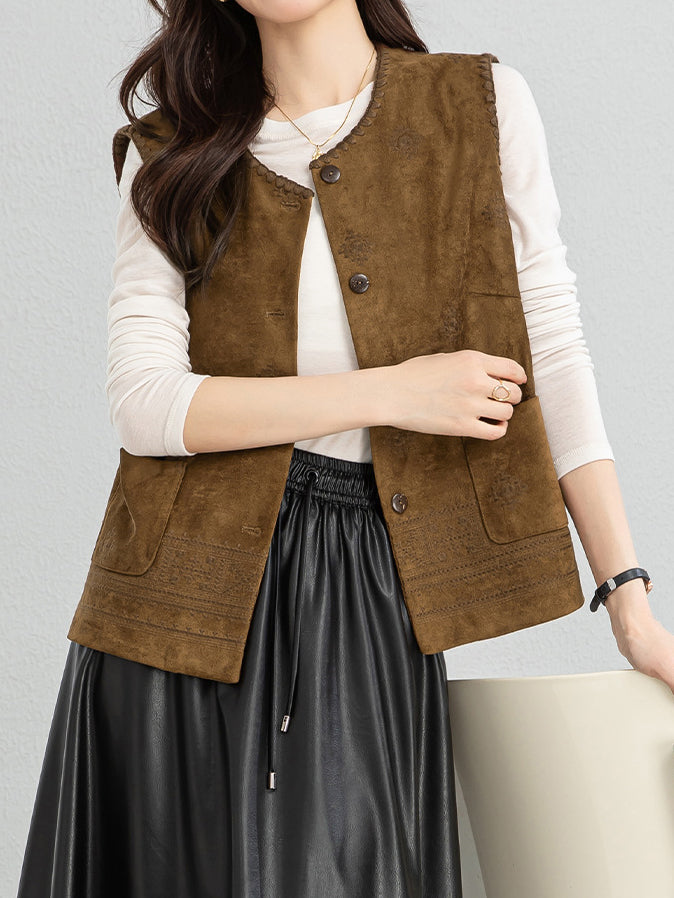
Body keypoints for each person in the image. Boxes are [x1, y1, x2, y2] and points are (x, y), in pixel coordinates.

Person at [16, 1, 674, 896]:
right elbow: (144, 403)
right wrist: (394, 392)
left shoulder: (480, 106)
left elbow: (551, 352)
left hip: (361, 586)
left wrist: (628, 599)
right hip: (173, 616)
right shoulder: (172, 151)